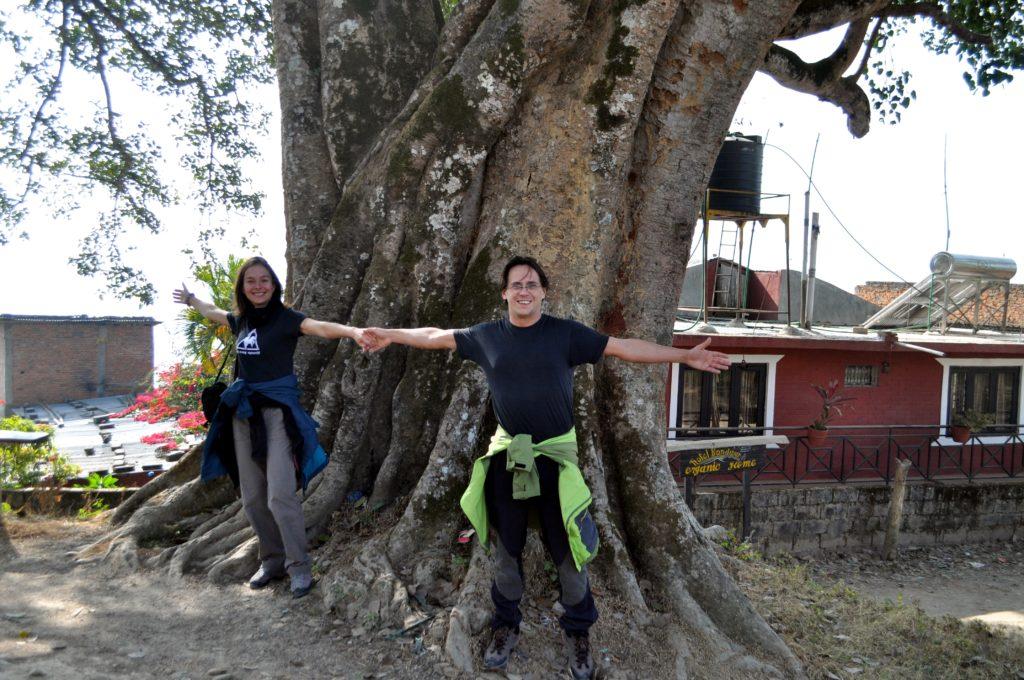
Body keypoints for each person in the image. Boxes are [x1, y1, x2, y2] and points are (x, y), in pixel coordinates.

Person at [362, 255, 729, 679]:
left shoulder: (565, 335)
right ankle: (505, 627)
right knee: (507, 549)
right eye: (516, 284)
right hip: (508, 460)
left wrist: (682, 357)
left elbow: (623, 347)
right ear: (504, 293)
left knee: (567, 550)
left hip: (556, 460)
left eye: (532, 284)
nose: (523, 290)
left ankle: (578, 633)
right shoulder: (486, 336)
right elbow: (433, 335)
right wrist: (388, 334)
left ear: (543, 292)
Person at [174, 256, 367, 598]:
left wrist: (353, 332)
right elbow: (213, 312)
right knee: (252, 499)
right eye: (251, 281)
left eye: (265, 280)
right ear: (243, 287)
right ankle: (272, 560)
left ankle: (300, 567)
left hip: (277, 415)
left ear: (274, 285)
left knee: (280, 495)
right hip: (242, 415)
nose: (258, 286)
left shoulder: (286, 319)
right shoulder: (241, 321)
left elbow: (320, 327)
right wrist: (191, 300)